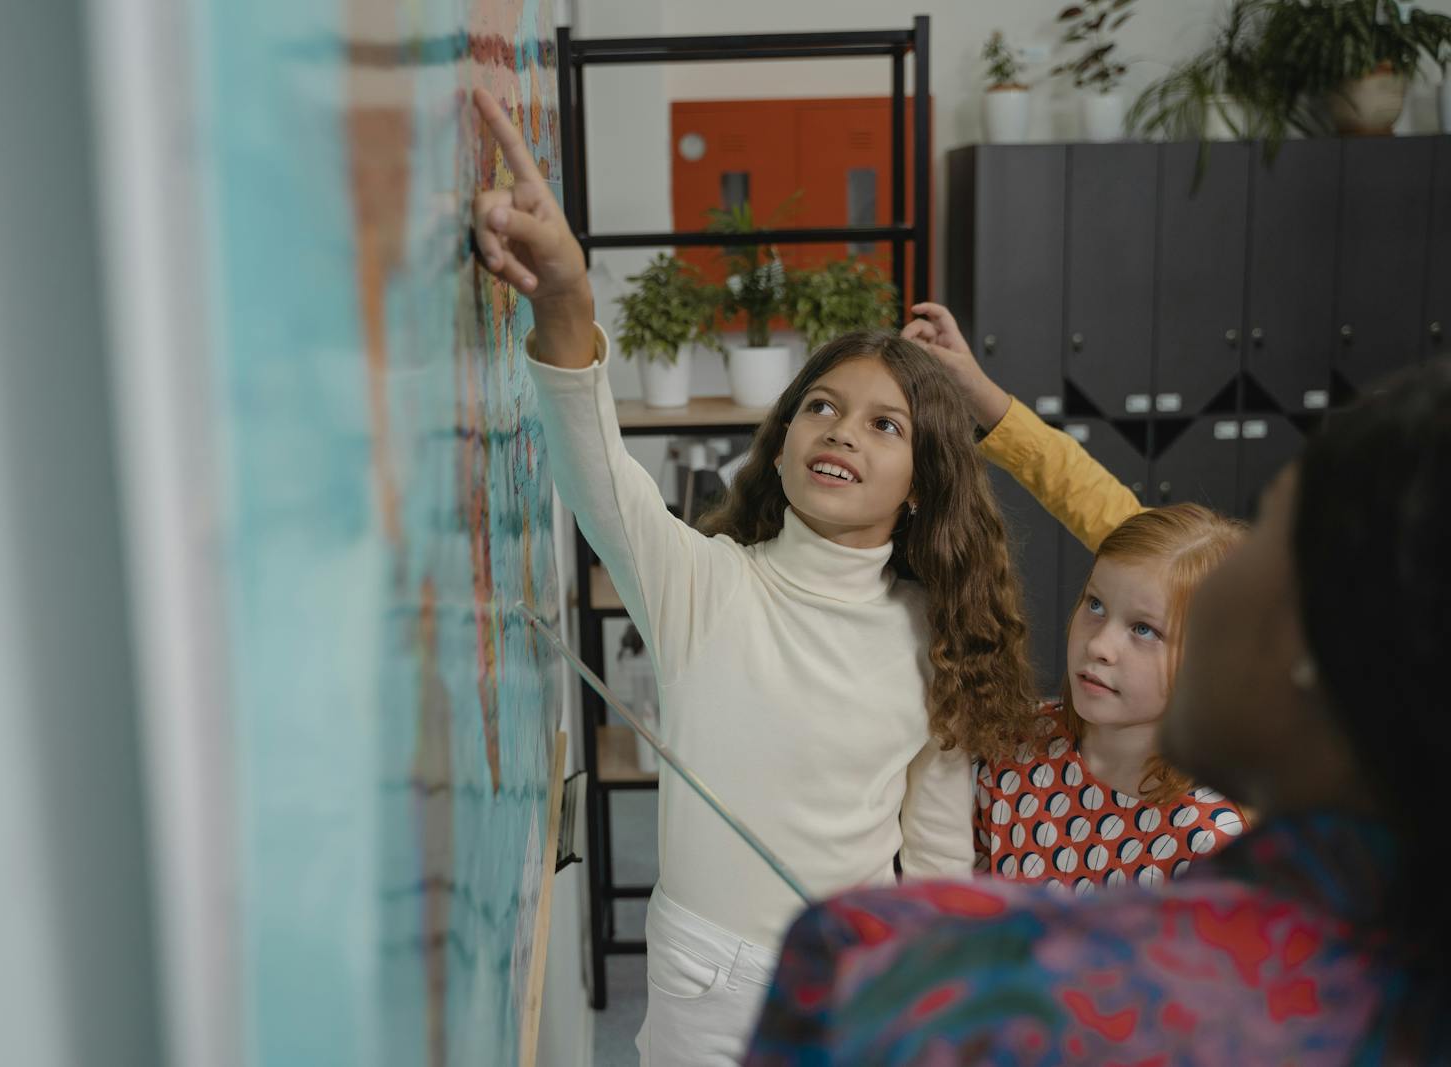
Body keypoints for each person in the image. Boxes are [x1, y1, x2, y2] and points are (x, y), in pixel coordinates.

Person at [468, 89, 1037, 1064]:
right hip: (710, 978)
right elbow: (599, 476)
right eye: (821, 405)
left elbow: (938, 855)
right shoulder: (708, 583)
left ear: (920, 484)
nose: (841, 431)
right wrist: (564, 299)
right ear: (779, 449)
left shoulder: (935, 630)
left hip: (856, 976)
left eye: (883, 423)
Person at [745, 356, 1451, 1064]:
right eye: (1095, 606)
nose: (1107, 643)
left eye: (1268, 527)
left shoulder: (862, 971)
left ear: (1318, 647)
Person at [901, 303, 1249, 890]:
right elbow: (1088, 495)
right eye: (1093, 605)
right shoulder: (1013, 752)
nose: (1101, 646)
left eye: (1144, 630)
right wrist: (981, 395)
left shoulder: (1208, 843)